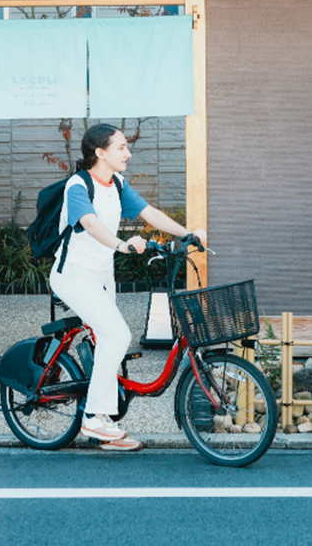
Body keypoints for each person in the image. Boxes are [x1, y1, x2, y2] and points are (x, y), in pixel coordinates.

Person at [51, 123, 206, 452]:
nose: (128, 153)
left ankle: (105, 424)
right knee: (117, 335)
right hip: (74, 275)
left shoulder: (117, 184)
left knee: (108, 339)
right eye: (121, 147)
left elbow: (149, 213)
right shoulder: (78, 186)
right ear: (100, 153)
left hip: (101, 274)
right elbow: (90, 224)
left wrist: (186, 234)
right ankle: (93, 417)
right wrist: (122, 246)